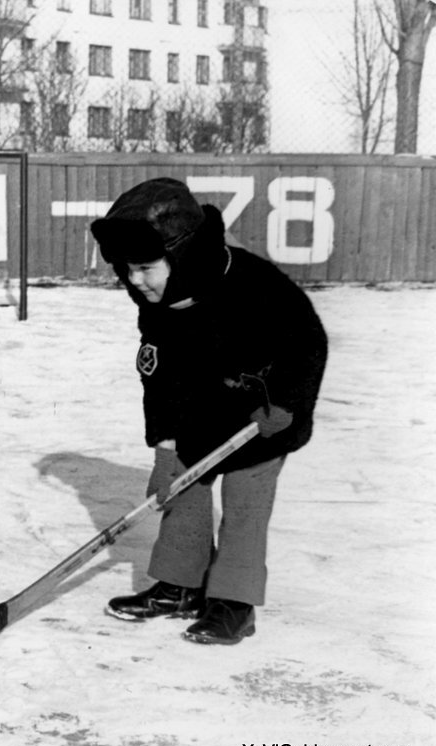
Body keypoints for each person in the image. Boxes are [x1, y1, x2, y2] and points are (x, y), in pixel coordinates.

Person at [89, 177, 327, 645]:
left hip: (264, 416)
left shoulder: (256, 287)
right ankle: (181, 587)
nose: (135, 281)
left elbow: (308, 346)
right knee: (184, 489)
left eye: (143, 268)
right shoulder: (156, 298)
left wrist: (286, 404)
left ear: (181, 254)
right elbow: (158, 378)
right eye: (125, 271)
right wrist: (163, 448)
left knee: (244, 503)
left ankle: (234, 605)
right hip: (201, 408)